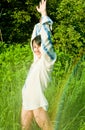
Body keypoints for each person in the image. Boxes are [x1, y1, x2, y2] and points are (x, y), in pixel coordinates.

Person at [21, 0, 56, 130]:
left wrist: (44, 14)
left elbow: (46, 41)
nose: (36, 49)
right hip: (26, 100)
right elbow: (34, 38)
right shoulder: (36, 59)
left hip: (37, 101)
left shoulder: (46, 61)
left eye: (38, 47)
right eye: (34, 47)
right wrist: (41, 20)